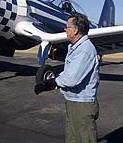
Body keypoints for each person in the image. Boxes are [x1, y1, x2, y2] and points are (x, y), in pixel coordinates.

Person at [34, 13, 100, 143]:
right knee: (72, 139)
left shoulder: (85, 50)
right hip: (73, 101)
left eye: (67, 27)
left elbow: (72, 79)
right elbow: (68, 72)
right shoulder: (75, 47)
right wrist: (49, 83)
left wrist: (53, 82)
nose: (65, 29)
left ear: (75, 30)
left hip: (82, 104)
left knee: (85, 139)